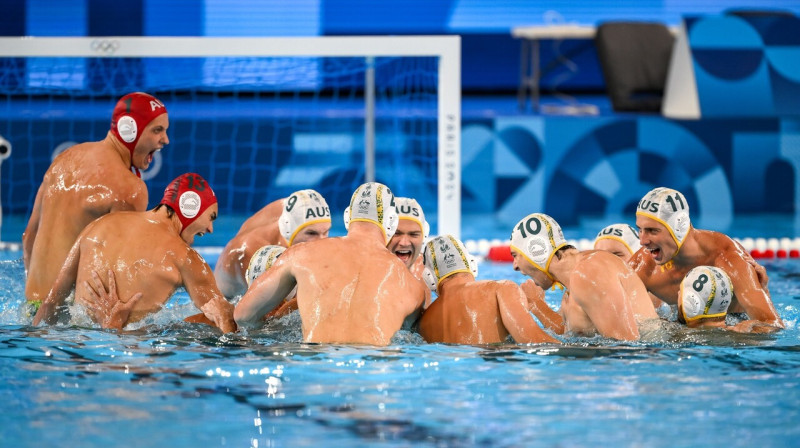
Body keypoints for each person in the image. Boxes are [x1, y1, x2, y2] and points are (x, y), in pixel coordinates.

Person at [32, 173, 236, 333]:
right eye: (211, 217)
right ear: (190, 207)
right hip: (125, 357)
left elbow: (51, 302)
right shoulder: (186, 258)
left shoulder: (99, 225)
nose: (210, 229)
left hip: (74, 348)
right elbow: (223, 321)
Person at [23, 92, 169, 311]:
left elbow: (29, 237)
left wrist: (39, 301)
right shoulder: (129, 189)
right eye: (157, 130)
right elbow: (120, 273)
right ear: (129, 130)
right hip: (70, 320)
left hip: (32, 306)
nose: (165, 140)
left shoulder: (66, 158)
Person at [234, 182, 426, 345]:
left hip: (315, 364)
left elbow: (243, 316)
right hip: (371, 375)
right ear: (392, 222)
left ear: (347, 216)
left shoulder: (302, 253)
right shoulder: (412, 286)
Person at [631, 187, 783, 332]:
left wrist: (743, 332)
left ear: (678, 227)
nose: (642, 241)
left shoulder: (727, 257)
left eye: (652, 231)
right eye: (640, 229)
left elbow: (774, 325)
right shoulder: (642, 268)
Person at [510, 213, 660, 341]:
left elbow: (626, 346)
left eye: (516, 256)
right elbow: (569, 331)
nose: (515, 266)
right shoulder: (572, 283)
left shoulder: (588, 273)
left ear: (535, 252)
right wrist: (536, 304)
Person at [417, 235, 559, 344]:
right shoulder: (501, 289)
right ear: (472, 264)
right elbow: (534, 341)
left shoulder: (423, 324)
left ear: (429, 278)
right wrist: (536, 302)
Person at [214, 189, 331, 299]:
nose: (321, 243)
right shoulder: (253, 256)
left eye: (325, 232)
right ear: (288, 231)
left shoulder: (297, 208)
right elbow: (271, 314)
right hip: (227, 300)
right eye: (311, 233)